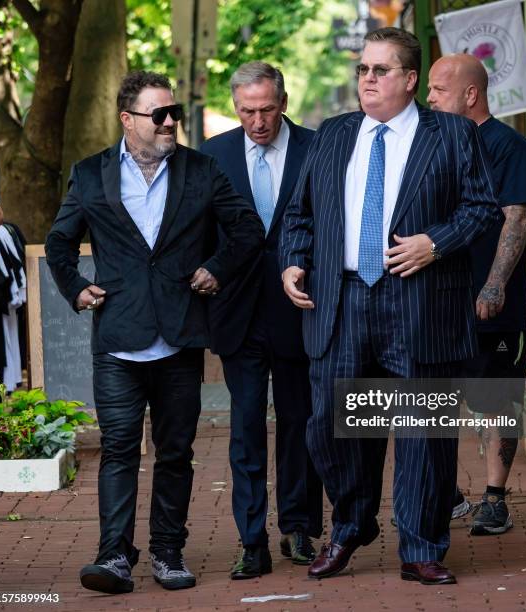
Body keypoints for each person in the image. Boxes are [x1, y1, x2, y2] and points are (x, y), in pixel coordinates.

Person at [280, 27, 499, 586]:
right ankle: (352, 524)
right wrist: (293, 261)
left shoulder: (449, 134)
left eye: (380, 70)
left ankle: (422, 545)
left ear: (410, 79)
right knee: (331, 426)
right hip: (342, 298)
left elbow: (483, 210)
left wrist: (435, 242)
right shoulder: (332, 135)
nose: (368, 79)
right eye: (362, 70)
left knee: (422, 429)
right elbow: (300, 215)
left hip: (420, 300)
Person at [45, 71, 264, 594]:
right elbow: (58, 242)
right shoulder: (92, 173)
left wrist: (217, 267)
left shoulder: (201, 170)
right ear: (128, 119)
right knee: (119, 448)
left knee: (175, 452)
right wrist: (75, 286)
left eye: (174, 113)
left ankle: (168, 553)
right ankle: (114, 556)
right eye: (158, 114)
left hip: (180, 336)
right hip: (118, 337)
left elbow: (248, 230)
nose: (170, 122)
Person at [200, 62, 323, 579]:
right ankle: (252, 541)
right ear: (236, 108)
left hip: (301, 309)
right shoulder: (214, 155)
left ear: (285, 102)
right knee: (246, 427)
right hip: (239, 313)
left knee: (300, 423)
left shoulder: (318, 148)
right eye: (248, 111)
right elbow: (203, 233)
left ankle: (298, 528)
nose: (258, 121)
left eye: (267, 109)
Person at [427, 54, 526, 535]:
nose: (427, 98)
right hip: (436, 299)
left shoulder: (509, 147)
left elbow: (516, 218)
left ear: (469, 94)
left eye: (437, 89)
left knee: (496, 399)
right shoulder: (430, 145)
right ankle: (445, 493)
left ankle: (495, 499)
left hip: (491, 304)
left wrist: (493, 285)